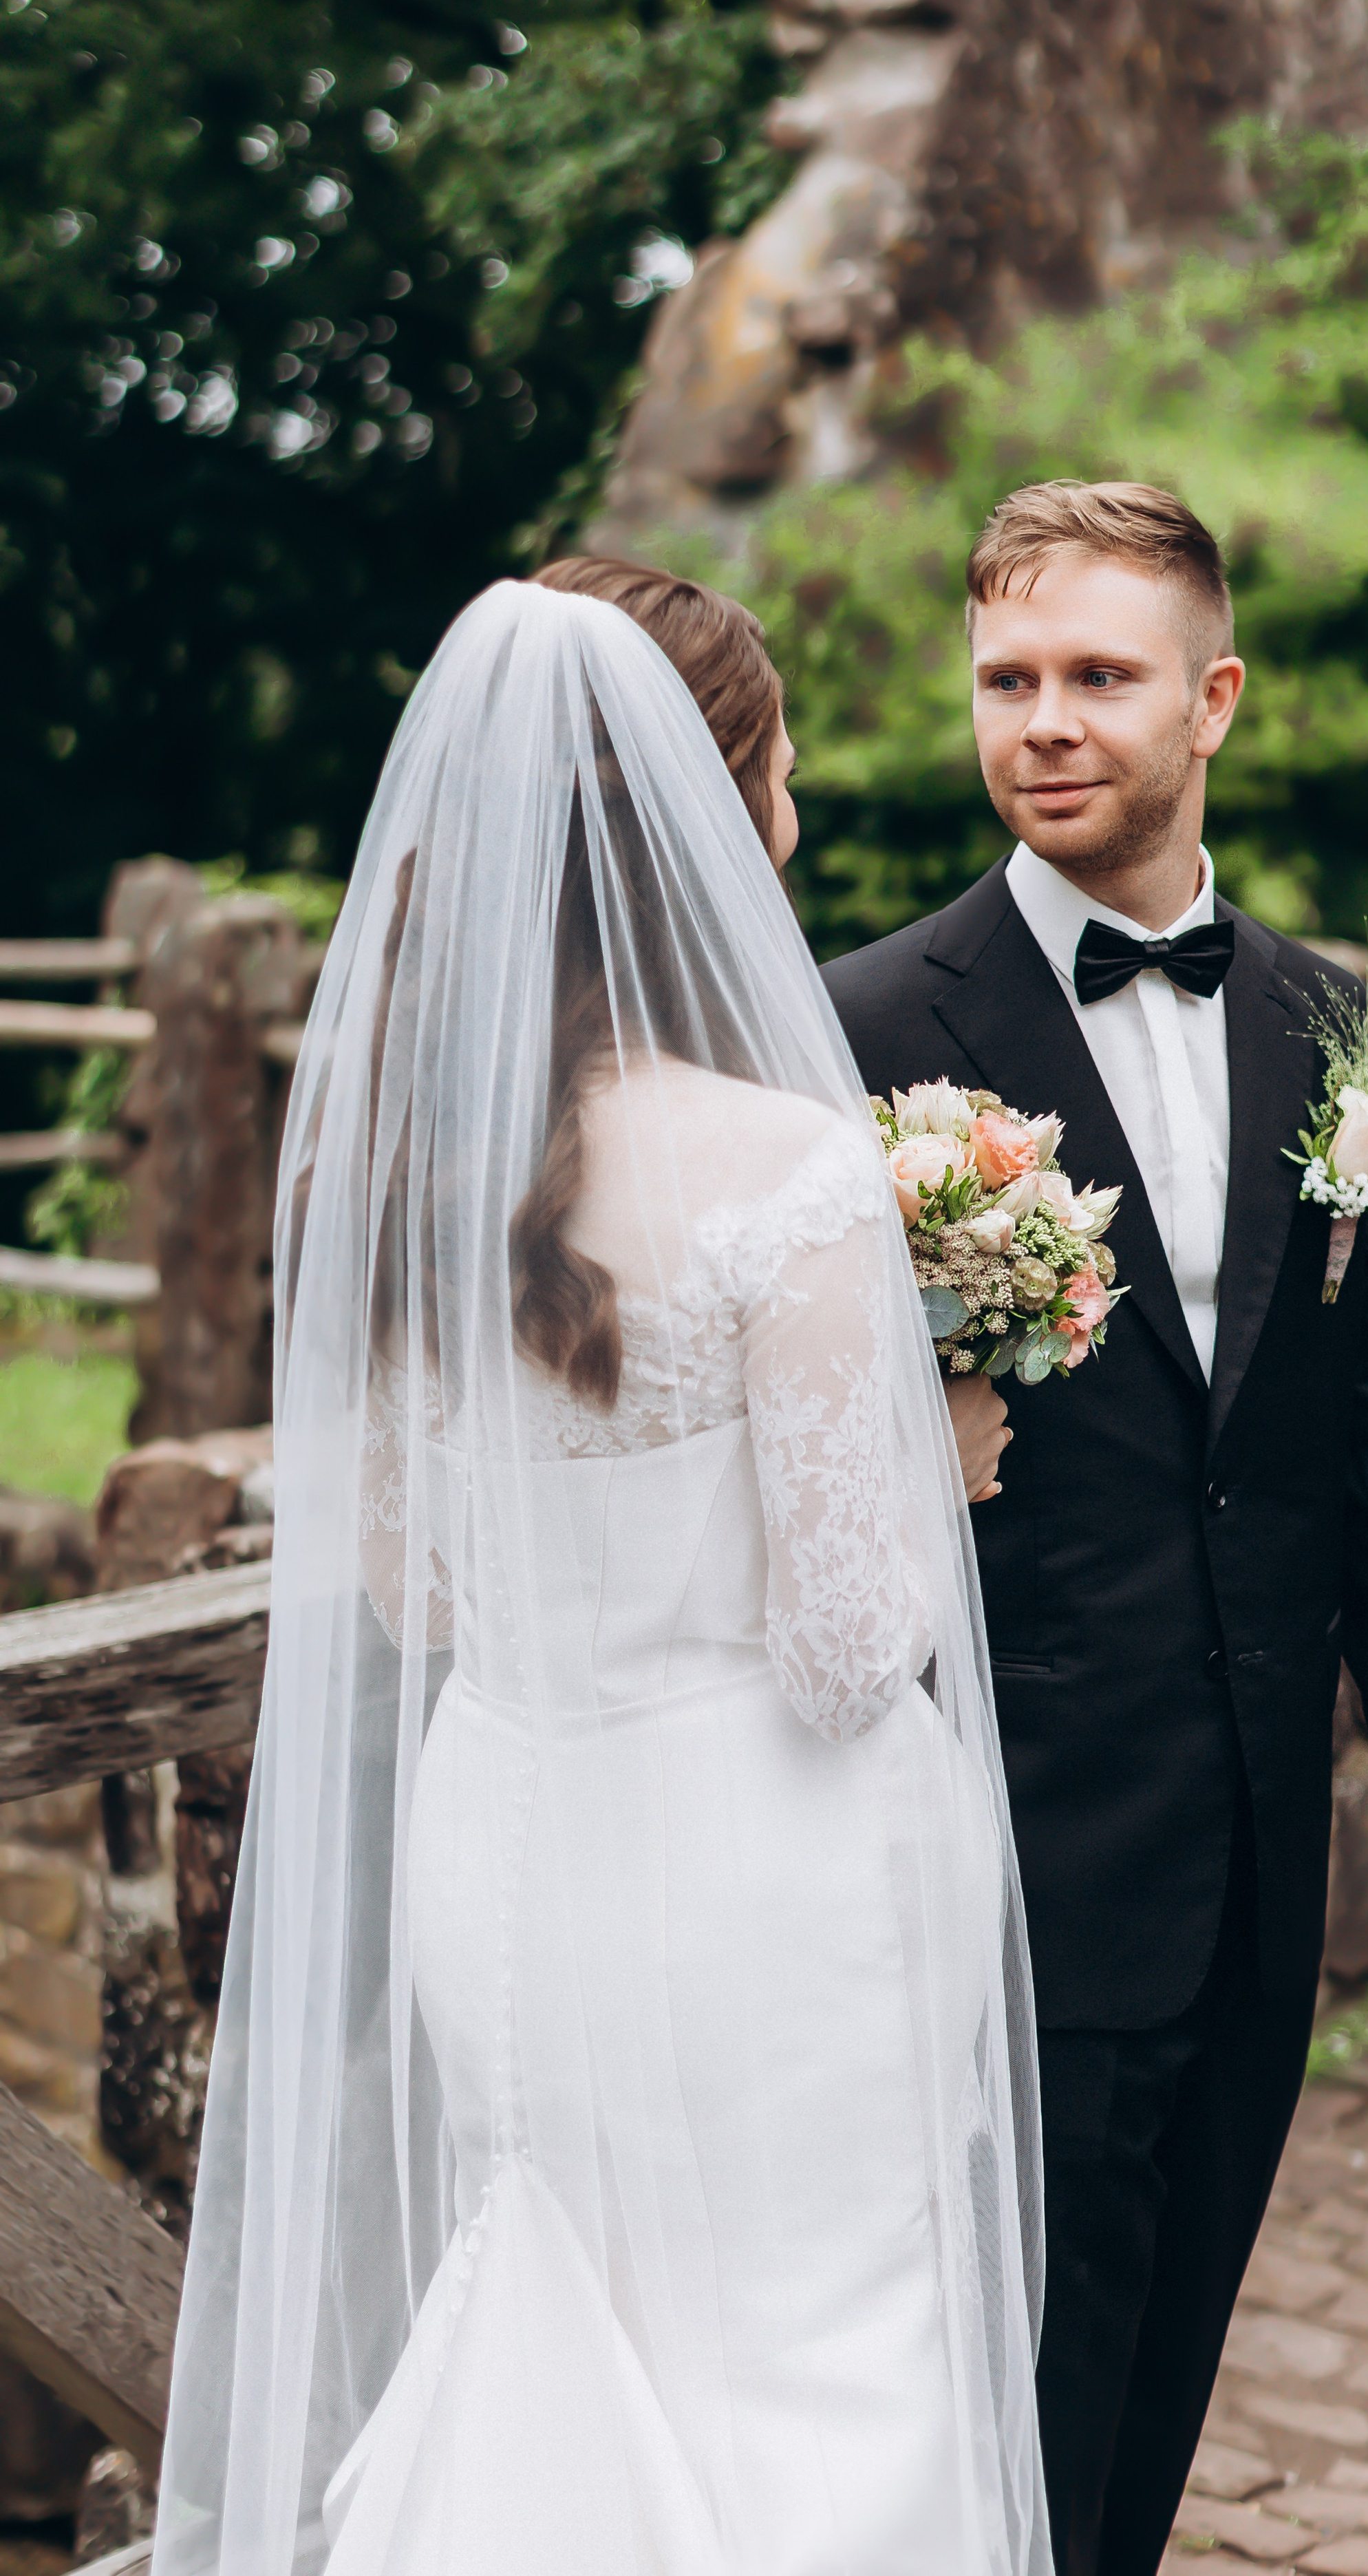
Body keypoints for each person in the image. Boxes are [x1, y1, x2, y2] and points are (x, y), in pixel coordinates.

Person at [154, 575, 1049, 2576]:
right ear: (694, 813)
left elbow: (416, 1586)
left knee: (565, 2326)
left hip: (514, 1846)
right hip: (764, 1873)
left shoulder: (389, 1161)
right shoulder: (786, 1171)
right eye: (784, 766)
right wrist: (943, 1472)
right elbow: (841, 1652)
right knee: (814, 2367)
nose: (799, 807)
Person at [824, 480, 1368, 2576]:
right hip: (992, 1834)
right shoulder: (863, 1030)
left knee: (1165, 2348)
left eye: (1100, 677)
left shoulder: (1333, 1032)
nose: (1045, 720)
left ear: (1212, 699)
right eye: (1007, 679)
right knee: (1010, 2373)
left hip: (1255, 1832)